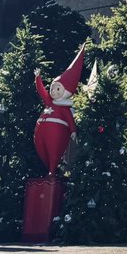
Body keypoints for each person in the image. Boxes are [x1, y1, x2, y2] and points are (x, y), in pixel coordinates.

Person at [33, 45, 85, 176]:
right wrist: (38, 78)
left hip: (57, 131)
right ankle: (50, 169)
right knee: (41, 148)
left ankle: (52, 171)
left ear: (66, 92)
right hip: (41, 130)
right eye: (53, 88)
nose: (53, 91)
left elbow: (69, 119)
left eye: (58, 89)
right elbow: (41, 91)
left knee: (53, 151)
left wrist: (73, 131)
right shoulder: (49, 101)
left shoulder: (65, 107)